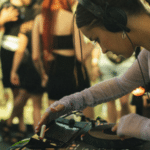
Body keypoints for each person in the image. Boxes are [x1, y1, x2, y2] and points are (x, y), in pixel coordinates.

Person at [35, 0, 150, 141]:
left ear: (115, 21)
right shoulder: (147, 54)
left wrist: (143, 127)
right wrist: (70, 102)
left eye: (97, 39)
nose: (103, 50)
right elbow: (121, 84)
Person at [32, 0, 95, 119]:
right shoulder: (72, 18)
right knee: (87, 122)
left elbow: (35, 57)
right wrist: (94, 41)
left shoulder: (39, 20)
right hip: (74, 75)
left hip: (53, 74)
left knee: (56, 123)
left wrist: (43, 75)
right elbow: (80, 56)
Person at [0, 0, 43, 144]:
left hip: (27, 53)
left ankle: (15, 124)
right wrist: (3, 19)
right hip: (10, 51)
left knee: (24, 91)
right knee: (16, 91)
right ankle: (19, 125)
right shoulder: (7, 6)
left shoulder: (32, 6)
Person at [98, 49, 135, 123]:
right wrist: (95, 62)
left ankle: (124, 127)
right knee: (110, 99)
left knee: (124, 101)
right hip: (107, 61)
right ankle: (112, 129)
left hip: (126, 61)